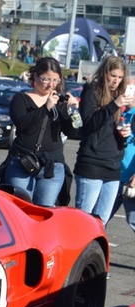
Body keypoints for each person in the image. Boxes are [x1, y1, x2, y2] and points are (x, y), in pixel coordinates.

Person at [1, 57, 79, 207]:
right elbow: (23, 124)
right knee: (19, 209)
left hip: (52, 165)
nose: (51, 85)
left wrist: (74, 111)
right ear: (36, 76)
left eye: (55, 80)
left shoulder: (60, 102)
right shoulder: (21, 99)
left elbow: (72, 132)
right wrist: (45, 108)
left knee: (45, 210)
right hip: (22, 162)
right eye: (46, 79)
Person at [74, 56, 132, 225]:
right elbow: (89, 124)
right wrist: (114, 104)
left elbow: (110, 131)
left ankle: (95, 252)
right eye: (113, 75)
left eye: (120, 77)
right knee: (84, 220)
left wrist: (124, 135)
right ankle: (80, 252)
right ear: (105, 72)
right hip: (92, 164)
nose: (116, 81)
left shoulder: (117, 96)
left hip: (113, 167)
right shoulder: (93, 91)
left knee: (101, 221)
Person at [108, 89, 135, 233]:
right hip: (114, 176)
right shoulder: (121, 113)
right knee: (100, 218)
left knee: (133, 219)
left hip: (130, 180)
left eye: (130, 89)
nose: (126, 93)